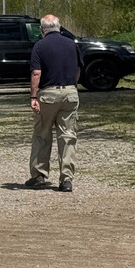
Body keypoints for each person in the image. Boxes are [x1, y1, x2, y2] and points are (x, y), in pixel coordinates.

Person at [27, 14, 82, 192]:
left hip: (48, 94)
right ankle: (66, 179)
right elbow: (78, 69)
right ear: (59, 27)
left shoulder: (40, 46)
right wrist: (72, 86)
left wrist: (33, 97)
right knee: (67, 137)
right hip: (70, 93)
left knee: (42, 135)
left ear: (42, 30)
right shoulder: (71, 44)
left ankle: (39, 175)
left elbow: (36, 73)